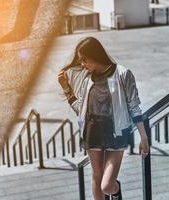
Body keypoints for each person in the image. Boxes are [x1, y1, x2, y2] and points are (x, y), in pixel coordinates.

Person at [58, 37, 149, 200]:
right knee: (97, 177)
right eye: (80, 60)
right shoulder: (87, 79)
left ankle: (116, 191)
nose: (82, 64)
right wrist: (66, 89)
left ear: (95, 55)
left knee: (107, 185)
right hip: (92, 133)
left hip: (116, 135)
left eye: (84, 59)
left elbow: (134, 106)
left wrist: (143, 136)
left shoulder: (123, 74)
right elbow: (81, 109)